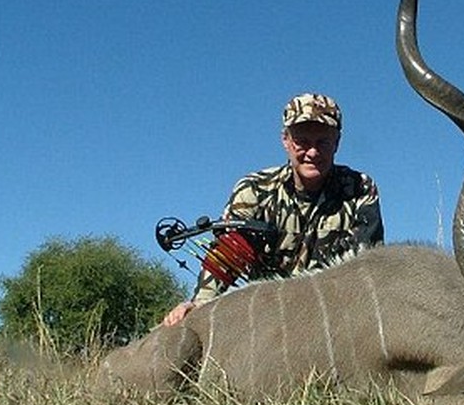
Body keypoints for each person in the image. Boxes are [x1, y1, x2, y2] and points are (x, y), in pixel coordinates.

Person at [162, 93, 383, 326]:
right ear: (285, 140)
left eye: (322, 142)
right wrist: (200, 304)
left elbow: (366, 266)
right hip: (266, 320)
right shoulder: (255, 190)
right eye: (302, 142)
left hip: (333, 317)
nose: (312, 152)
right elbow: (229, 255)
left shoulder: (360, 188)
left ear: (337, 142)